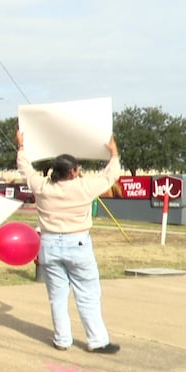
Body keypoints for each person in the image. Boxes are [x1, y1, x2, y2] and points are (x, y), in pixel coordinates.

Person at [16, 130, 121, 354]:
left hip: (49, 244)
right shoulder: (84, 187)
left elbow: (25, 170)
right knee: (87, 294)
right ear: (73, 171)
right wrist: (113, 153)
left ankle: (62, 339)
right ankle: (97, 340)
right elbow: (110, 176)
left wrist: (21, 147)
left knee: (57, 296)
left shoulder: (43, 187)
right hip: (78, 243)